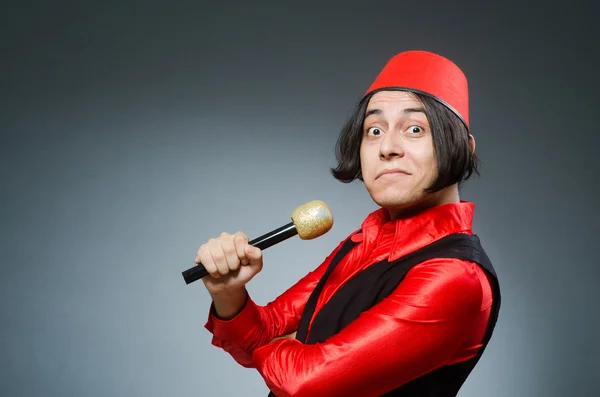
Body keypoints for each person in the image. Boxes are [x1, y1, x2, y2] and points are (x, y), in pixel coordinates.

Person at [195, 50, 501, 397]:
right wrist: (228, 293)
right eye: (374, 129)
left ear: (464, 148)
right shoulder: (365, 240)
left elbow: (303, 385)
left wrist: (274, 347)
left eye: (415, 129)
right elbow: (266, 330)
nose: (387, 147)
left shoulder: (455, 277)